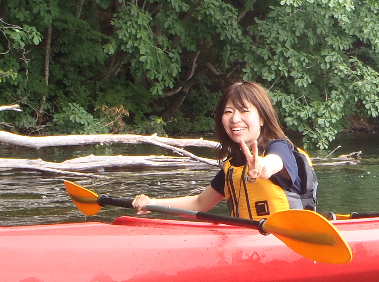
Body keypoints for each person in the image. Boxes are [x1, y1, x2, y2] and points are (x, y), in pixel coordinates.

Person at [133, 81, 316, 219]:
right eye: (228, 112)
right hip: (246, 243)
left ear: (262, 118)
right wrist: (153, 203)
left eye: (244, 111)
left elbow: (275, 162)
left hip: (284, 241)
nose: (235, 119)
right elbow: (200, 203)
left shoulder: (279, 147)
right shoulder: (232, 166)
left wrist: (263, 167)